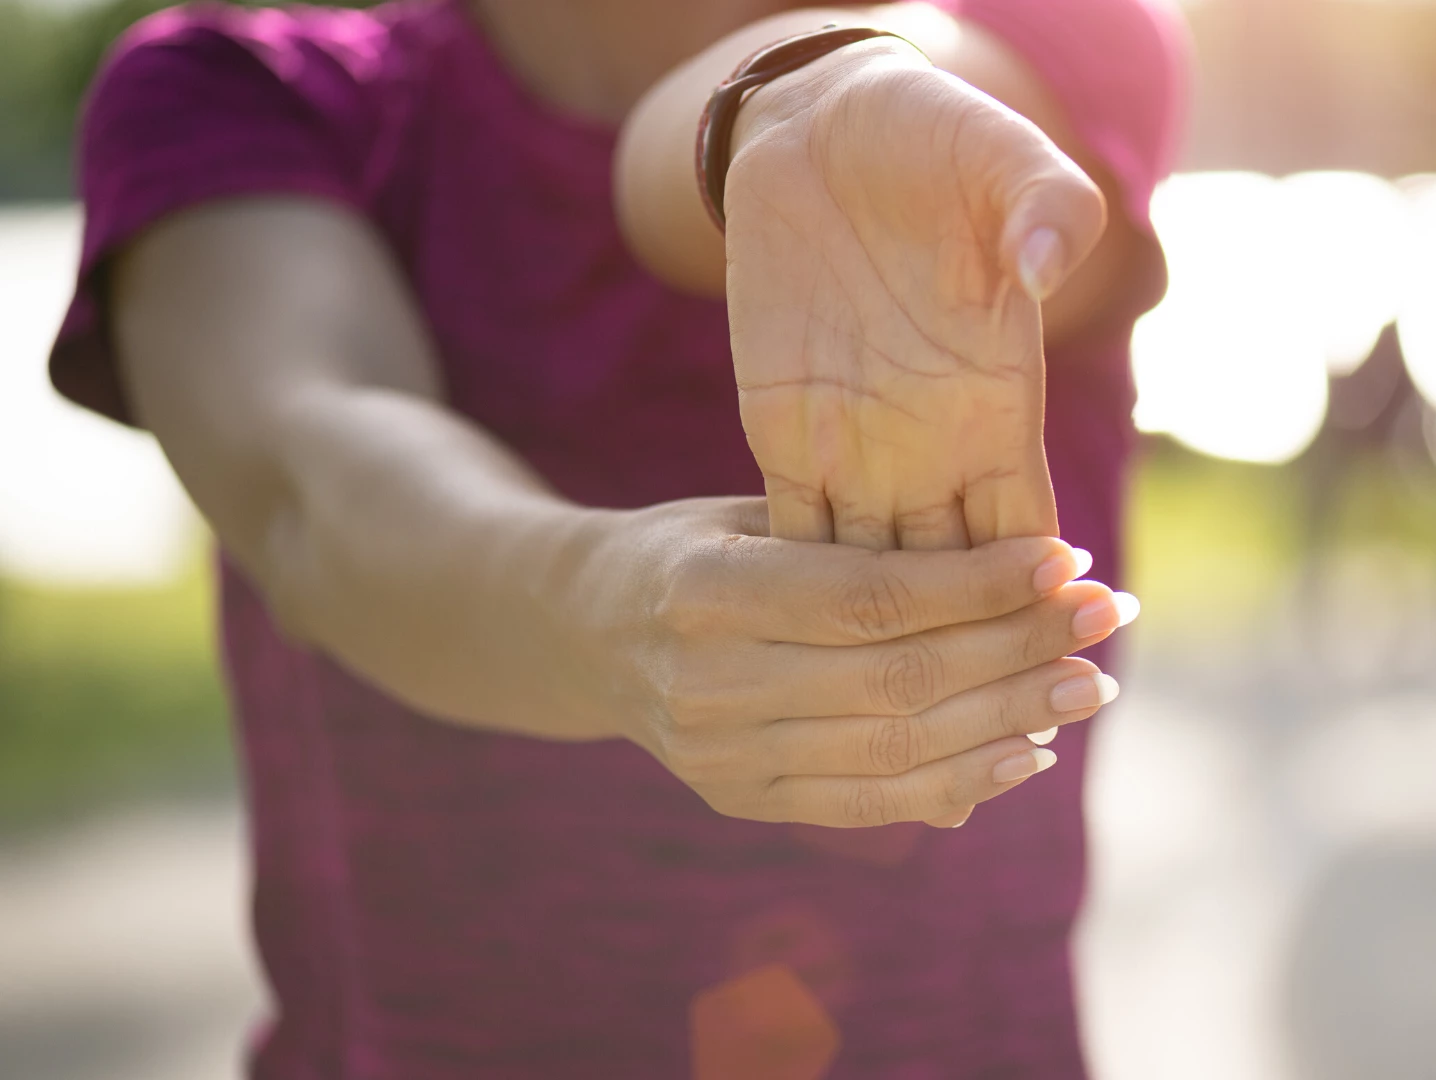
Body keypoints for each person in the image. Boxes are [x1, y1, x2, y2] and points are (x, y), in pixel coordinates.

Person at [50, 0, 1188, 1074]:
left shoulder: (1059, 34)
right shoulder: (245, 96)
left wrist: (809, 94)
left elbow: (906, 116)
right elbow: (313, 483)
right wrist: (611, 614)